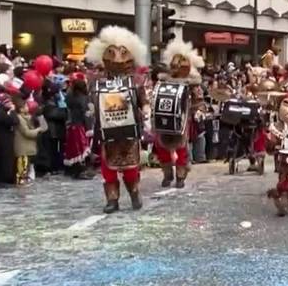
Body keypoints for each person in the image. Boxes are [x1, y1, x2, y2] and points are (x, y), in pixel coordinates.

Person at [85, 26, 149, 213]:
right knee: (108, 168)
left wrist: (145, 111)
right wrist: (91, 111)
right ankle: (112, 200)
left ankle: (134, 192)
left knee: (130, 167)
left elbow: (143, 101)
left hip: (129, 132)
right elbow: (92, 102)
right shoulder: (97, 82)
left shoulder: (135, 81)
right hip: (108, 132)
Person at [152, 40, 204, 189]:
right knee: (161, 146)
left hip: (182, 119)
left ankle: (180, 176)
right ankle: (167, 173)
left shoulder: (191, 84)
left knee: (181, 147)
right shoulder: (162, 82)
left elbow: (198, 101)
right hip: (163, 119)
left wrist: (196, 110)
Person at [63, 73, 95, 179]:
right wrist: (89, 127)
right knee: (81, 149)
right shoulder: (83, 99)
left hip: (72, 126)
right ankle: (81, 171)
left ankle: (74, 170)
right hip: (80, 126)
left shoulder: (69, 97)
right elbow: (86, 114)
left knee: (73, 149)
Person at [12, 95, 47, 185]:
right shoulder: (19, 119)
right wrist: (38, 130)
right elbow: (27, 132)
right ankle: (21, 184)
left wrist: (40, 117)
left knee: (27, 168)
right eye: (26, 106)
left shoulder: (29, 117)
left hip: (29, 148)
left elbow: (44, 128)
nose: (28, 107)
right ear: (21, 109)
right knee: (22, 169)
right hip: (23, 149)